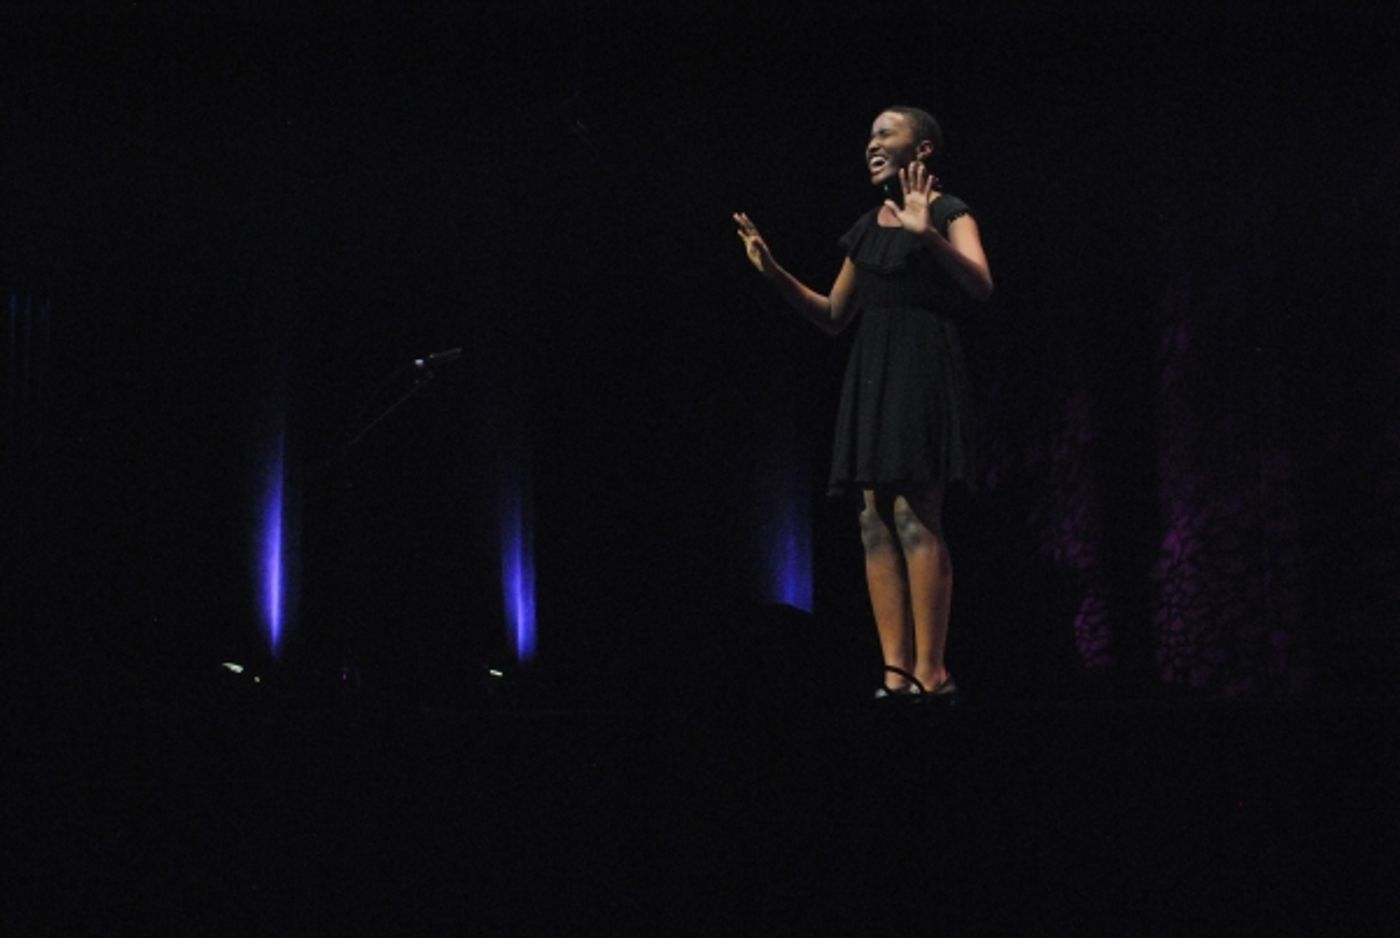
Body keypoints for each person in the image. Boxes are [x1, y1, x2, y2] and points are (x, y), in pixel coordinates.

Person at [734, 106, 993, 699]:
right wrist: (773, 272)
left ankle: (933, 672)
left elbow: (980, 283)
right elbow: (831, 315)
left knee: (914, 515)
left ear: (922, 150)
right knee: (872, 521)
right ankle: (894, 673)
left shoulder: (950, 212)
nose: (871, 143)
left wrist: (926, 233)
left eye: (886, 133)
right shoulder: (865, 225)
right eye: (870, 136)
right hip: (871, 372)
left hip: (921, 368)